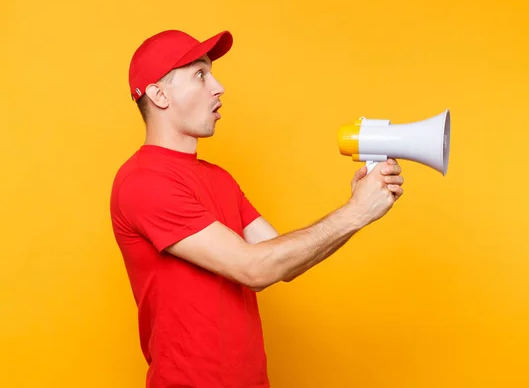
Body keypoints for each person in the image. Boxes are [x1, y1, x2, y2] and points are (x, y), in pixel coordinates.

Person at [110, 29, 404, 388]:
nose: (218, 87)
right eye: (200, 75)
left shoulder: (219, 179)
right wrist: (355, 212)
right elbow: (253, 269)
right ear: (158, 94)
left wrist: (359, 209)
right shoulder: (143, 181)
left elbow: (283, 263)